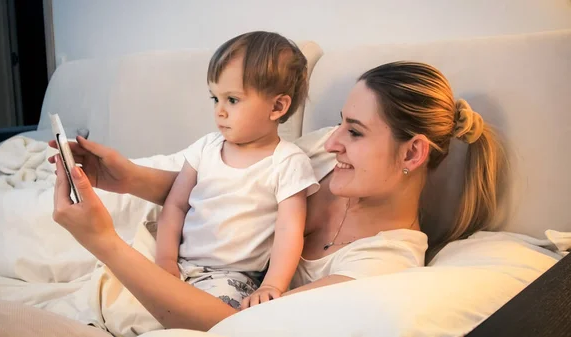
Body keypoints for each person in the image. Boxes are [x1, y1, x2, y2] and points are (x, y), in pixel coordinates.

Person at [50, 61, 508, 331]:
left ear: (412, 153)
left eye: (354, 131)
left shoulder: (382, 264)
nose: (330, 142)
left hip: (169, 280)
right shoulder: (329, 159)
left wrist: (104, 243)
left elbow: (230, 323)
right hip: (168, 237)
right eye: (340, 122)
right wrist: (125, 178)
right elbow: (221, 189)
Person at [150, 31, 318, 309]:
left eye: (233, 100)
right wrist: (166, 260)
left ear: (277, 106)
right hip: (180, 264)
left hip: (234, 277)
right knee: (125, 288)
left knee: (205, 312)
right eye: (215, 98)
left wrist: (272, 285)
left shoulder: (287, 162)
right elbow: (176, 206)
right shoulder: (205, 148)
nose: (219, 111)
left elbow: (289, 231)